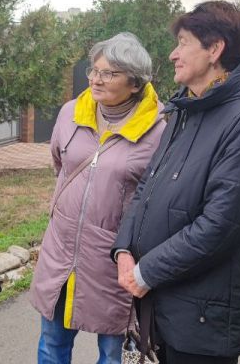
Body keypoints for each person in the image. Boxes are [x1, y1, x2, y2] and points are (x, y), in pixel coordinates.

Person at [112, 0, 240, 364]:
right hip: (166, 305)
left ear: (215, 49)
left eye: (183, 43)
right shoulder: (186, 110)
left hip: (204, 321)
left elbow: (221, 225)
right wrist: (124, 248)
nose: (173, 54)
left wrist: (147, 271)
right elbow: (146, 190)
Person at [29, 33, 166, 364]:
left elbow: (156, 196)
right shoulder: (71, 112)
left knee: (114, 352)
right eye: (94, 70)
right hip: (62, 250)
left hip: (115, 259)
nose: (95, 79)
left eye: (109, 73)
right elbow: (61, 164)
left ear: (135, 83)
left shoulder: (159, 128)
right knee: (52, 342)